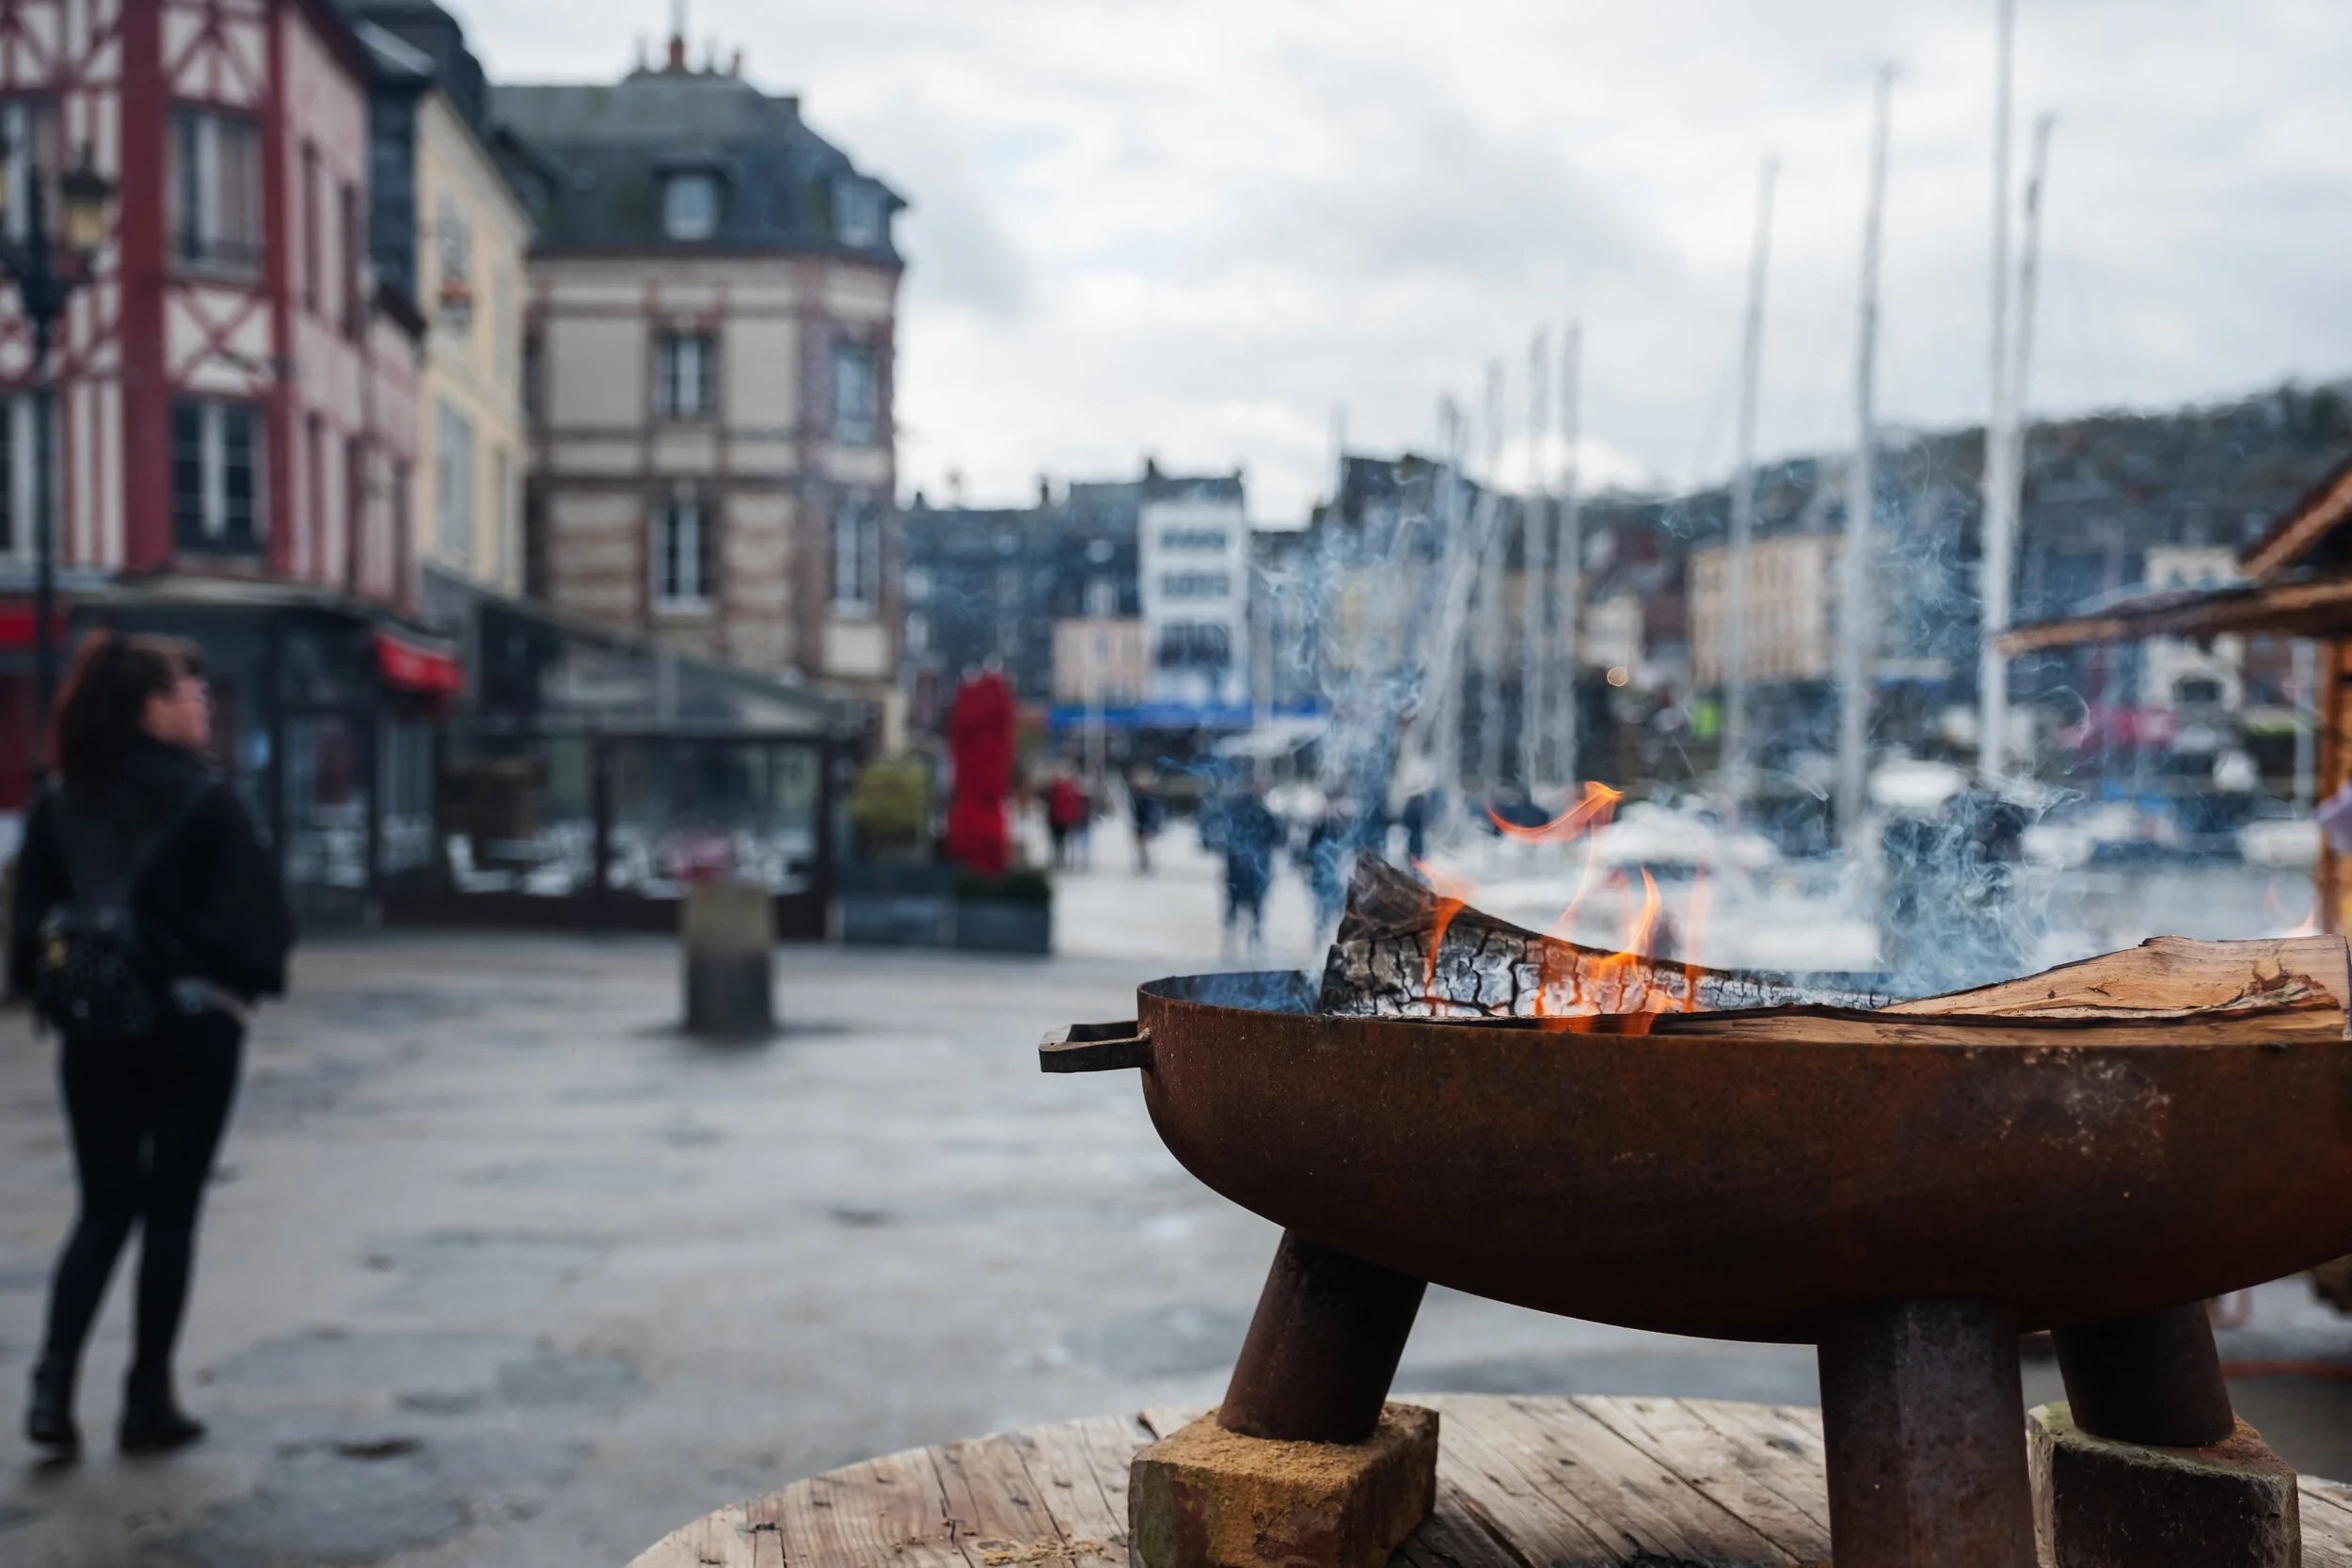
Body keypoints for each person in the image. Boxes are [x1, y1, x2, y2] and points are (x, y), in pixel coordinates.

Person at [12, 634, 293, 1457]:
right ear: (152, 707)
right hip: (192, 1032)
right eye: (190, 693)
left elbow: (28, 932)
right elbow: (264, 928)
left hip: (93, 1033)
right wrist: (229, 980)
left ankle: (53, 1386)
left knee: (101, 1209)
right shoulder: (208, 801)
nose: (204, 706)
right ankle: (146, 1397)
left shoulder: (62, 800)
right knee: (169, 1214)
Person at [1219, 784, 1281, 958]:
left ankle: (1236, 945)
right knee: (1253, 911)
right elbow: (1278, 836)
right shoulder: (1263, 812)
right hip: (1252, 872)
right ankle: (1250, 944)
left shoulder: (1235, 811)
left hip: (1241, 872)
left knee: (1238, 911)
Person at [1044, 769, 1087, 870]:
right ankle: (1059, 860)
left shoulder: (1063, 788)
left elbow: (1073, 805)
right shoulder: (1059, 788)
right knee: (1058, 841)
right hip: (1059, 819)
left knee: (1059, 841)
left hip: (1061, 819)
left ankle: (1060, 860)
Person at [1128, 769, 1166, 874]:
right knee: (1140, 846)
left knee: (1146, 845)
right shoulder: (1136, 794)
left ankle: (1146, 864)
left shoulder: (1150, 797)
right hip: (1139, 824)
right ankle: (1143, 864)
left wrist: (1151, 826)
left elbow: (1155, 812)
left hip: (1147, 824)